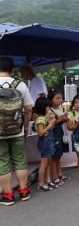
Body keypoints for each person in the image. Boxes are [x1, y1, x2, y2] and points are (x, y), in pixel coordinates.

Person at [0, 57, 32, 206]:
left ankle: (8, 195)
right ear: (12, 70)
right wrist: (25, 128)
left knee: (3, 162)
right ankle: (24, 191)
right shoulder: (20, 85)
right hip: (17, 131)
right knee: (20, 160)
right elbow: (28, 109)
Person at [48, 89, 70, 186]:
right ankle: (54, 176)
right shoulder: (49, 110)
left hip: (62, 134)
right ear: (51, 99)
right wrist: (59, 120)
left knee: (59, 154)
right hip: (54, 135)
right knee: (54, 156)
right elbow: (50, 125)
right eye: (57, 98)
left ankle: (59, 173)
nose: (60, 100)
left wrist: (66, 118)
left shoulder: (62, 108)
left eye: (60, 98)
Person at [34, 97, 56, 191]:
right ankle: (41, 183)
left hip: (48, 142)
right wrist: (50, 125)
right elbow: (40, 133)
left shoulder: (44, 117)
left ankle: (46, 181)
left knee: (47, 164)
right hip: (44, 142)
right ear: (43, 107)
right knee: (43, 165)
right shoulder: (40, 119)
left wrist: (52, 120)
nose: (49, 109)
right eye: (48, 107)